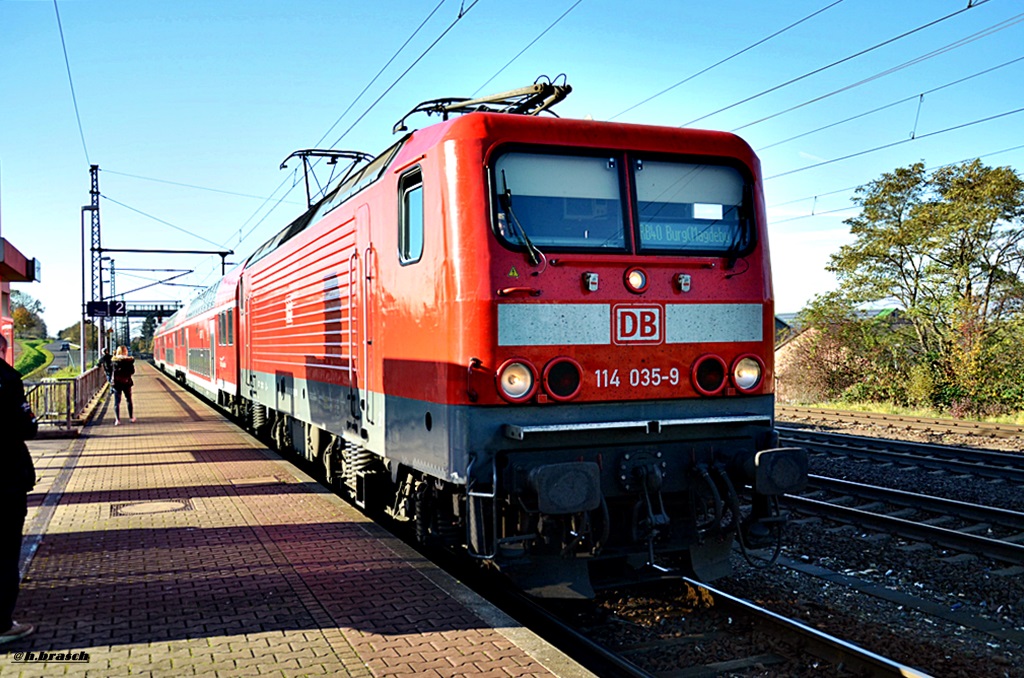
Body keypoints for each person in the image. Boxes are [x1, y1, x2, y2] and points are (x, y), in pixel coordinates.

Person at [0, 334, 37, 644]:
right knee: (4, 553)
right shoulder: (7, 378)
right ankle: (2, 625)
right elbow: (27, 426)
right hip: (4, 478)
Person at [111, 345, 136, 425]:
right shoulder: (129, 361)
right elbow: (132, 371)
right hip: (126, 382)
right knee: (129, 400)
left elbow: (111, 371)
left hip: (117, 383)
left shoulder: (114, 361)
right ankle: (131, 417)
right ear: (126, 352)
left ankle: (117, 420)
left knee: (117, 402)